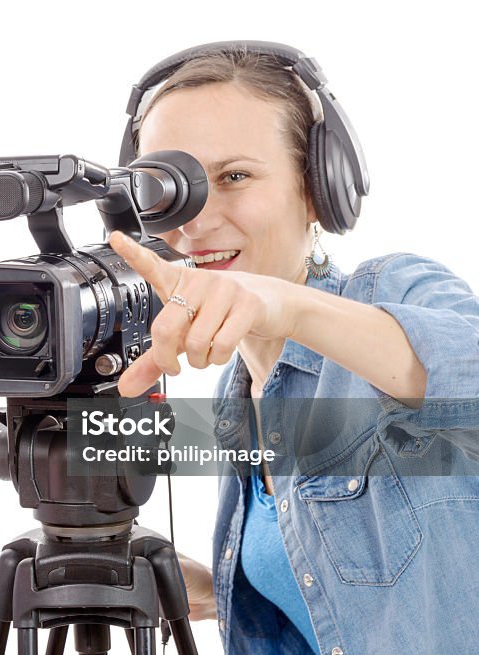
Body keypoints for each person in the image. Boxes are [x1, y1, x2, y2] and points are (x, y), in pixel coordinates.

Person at [107, 43, 479, 654]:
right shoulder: (239, 399)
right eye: (169, 186)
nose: (195, 222)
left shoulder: (392, 290)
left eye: (234, 177)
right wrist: (227, 587)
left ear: (317, 190)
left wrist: (288, 306)